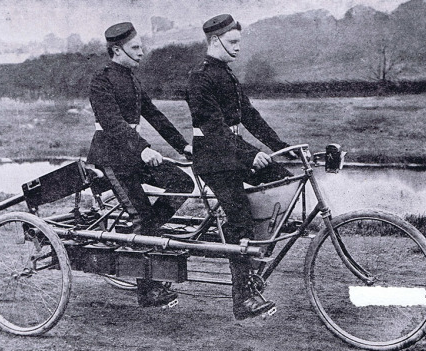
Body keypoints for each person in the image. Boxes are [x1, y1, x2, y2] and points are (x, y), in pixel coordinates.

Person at [185, 14, 294, 320]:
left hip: (230, 153)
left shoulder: (227, 74)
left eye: (239, 42)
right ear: (214, 41)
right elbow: (215, 129)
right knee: (240, 219)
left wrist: (281, 148)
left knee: (281, 178)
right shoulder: (201, 77)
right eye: (232, 42)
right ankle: (242, 298)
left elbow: (250, 115)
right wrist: (249, 156)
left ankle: (255, 253)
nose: (237, 48)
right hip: (213, 159)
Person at [87, 22, 194, 308]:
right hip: (110, 158)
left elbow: (154, 115)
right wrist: (144, 148)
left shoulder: (132, 79)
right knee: (143, 216)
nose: (142, 52)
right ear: (117, 50)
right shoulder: (101, 81)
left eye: (141, 46)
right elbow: (112, 124)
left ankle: (143, 234)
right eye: (135, 48)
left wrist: (182, 145)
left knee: (183, 184)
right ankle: (148, 291)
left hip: (133, 155)